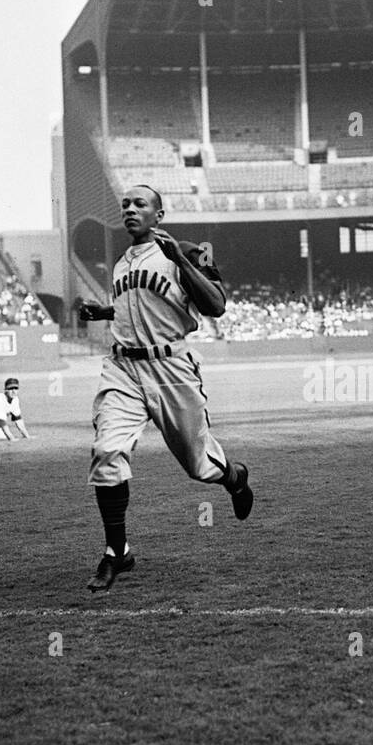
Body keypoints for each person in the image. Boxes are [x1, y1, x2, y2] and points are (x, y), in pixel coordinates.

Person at [77, 183, 254, 593]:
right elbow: (138, 305)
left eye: (140, 204)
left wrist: (181, 260)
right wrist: (103, 311)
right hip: (123, 368)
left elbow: (216, 305)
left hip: (171, 367)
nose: (130, 209)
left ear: (159, 215)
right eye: (125, 204)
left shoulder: (187, 251)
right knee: (106, 453)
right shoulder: (122, 264)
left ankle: (233, 476)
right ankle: (116, 552)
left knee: (200, 466)